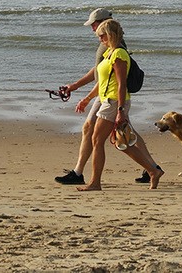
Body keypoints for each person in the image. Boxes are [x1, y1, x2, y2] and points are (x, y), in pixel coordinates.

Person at [56, 9, 157, 186]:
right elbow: (99, 72)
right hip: (106, 96)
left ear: (105, 25)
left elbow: (118, 81)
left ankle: (150, 169)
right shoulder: (108, 47)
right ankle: (152, 169)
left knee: (115, 139)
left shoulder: (116, 48)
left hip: (111, 99)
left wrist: (118, 109)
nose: (94, 31)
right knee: (115, 137)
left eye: (95, 26)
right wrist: (78, 89)